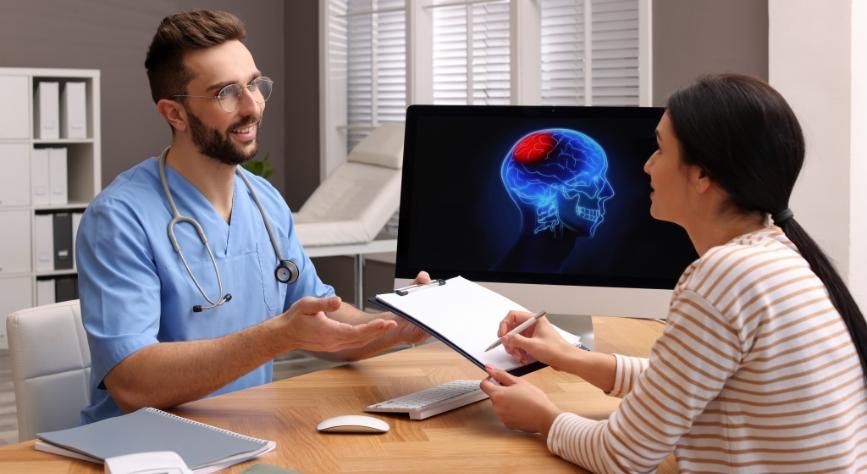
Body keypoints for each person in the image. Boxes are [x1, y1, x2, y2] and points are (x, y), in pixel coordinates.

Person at [479, 74, 867, 472]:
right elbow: (683, 379)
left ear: (702, 175)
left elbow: (621, 456)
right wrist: (568, 356)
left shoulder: (724, 276)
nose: (647, 165)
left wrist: (542, 416)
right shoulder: (776, 254)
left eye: (660, 149)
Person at [76, 9, 428, 424]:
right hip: (146, 450)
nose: (253, 106)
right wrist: (278, 336)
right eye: (226, 92)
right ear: (175, 114)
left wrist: (395, 326)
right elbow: (133, 384)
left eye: (254, 85)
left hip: (245, 431)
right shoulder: (119, 218)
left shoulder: (263, 200)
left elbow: (320, 316)